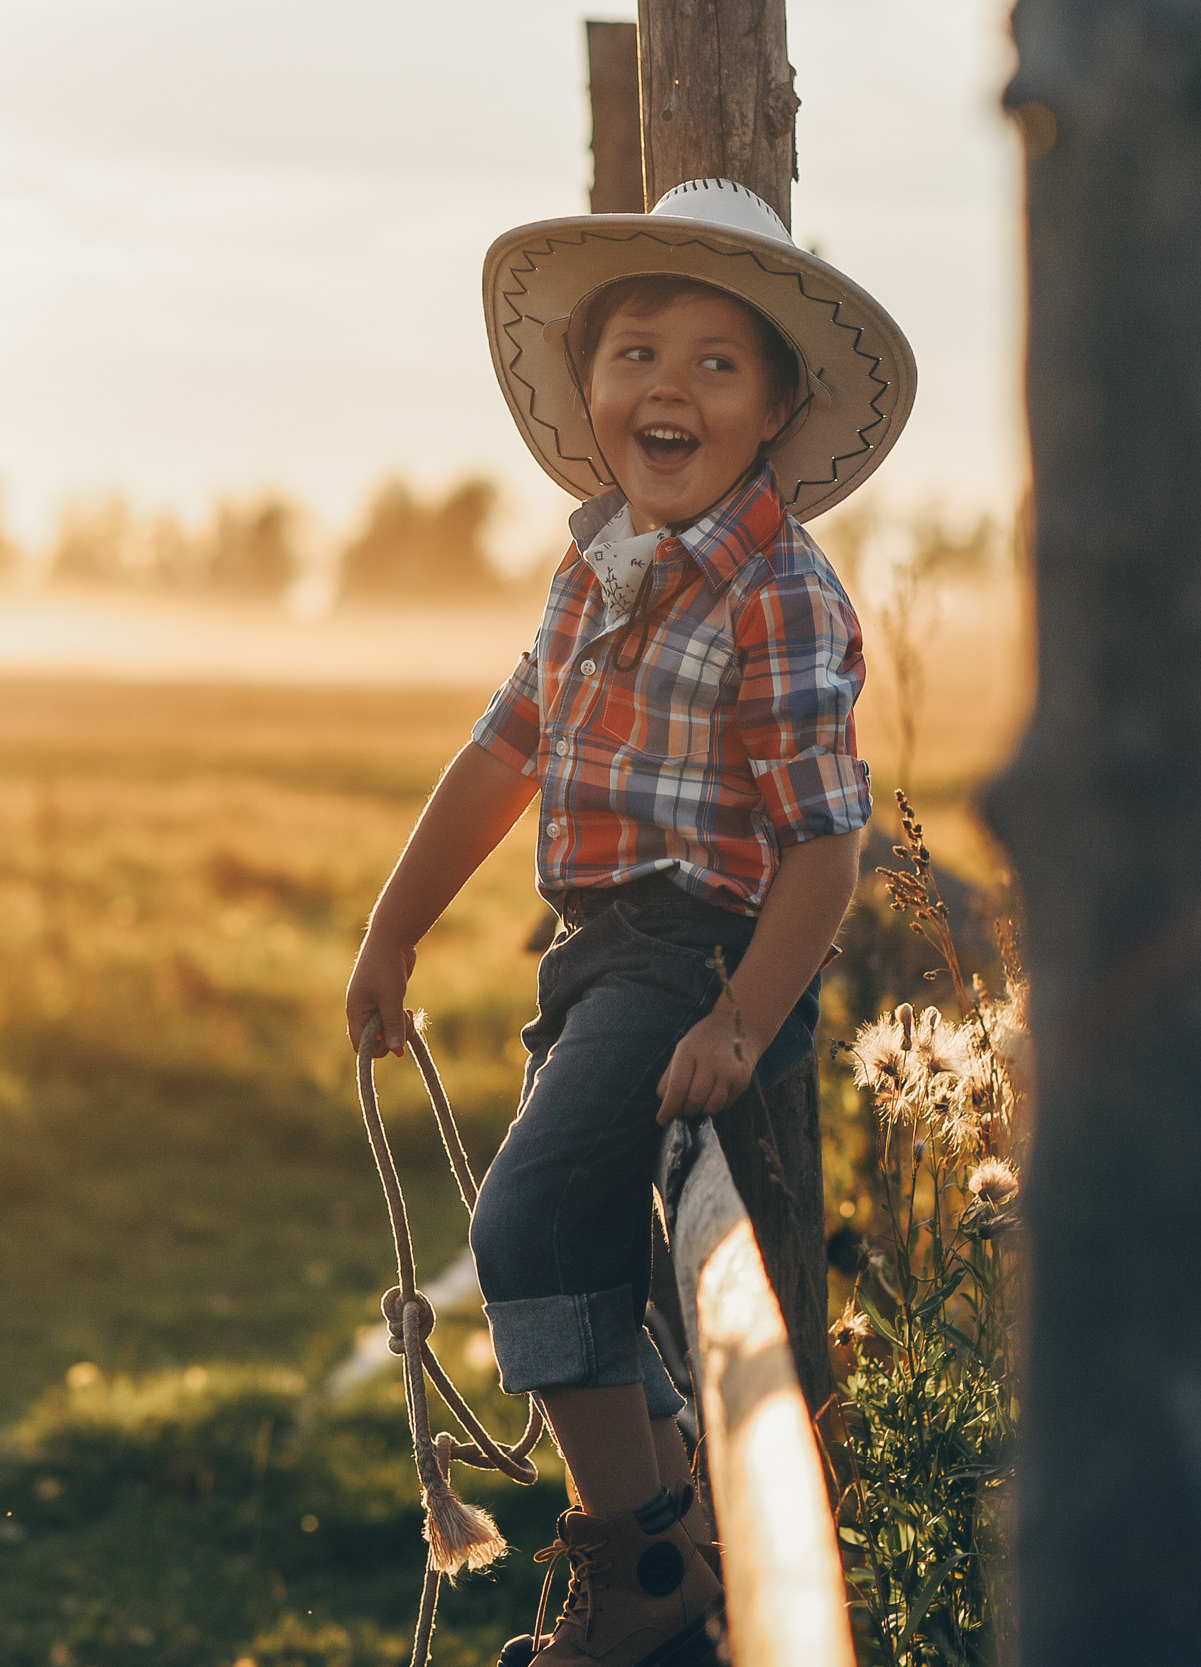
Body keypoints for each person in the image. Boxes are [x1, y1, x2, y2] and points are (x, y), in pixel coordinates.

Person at [343, 178, 914, 1667]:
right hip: (595, 955)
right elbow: (502, 750)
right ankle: (672, 1562)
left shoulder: (780, 591)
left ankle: (645, 1584)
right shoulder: (595, 562)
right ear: (591, 392)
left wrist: (743, 1017)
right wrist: (392, 930)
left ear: (778, 406)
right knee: (586, 1239)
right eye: (637, 353)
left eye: (717, 363)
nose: (670, 385)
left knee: (530, 1225)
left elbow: (821, 844)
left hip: (690, 949)